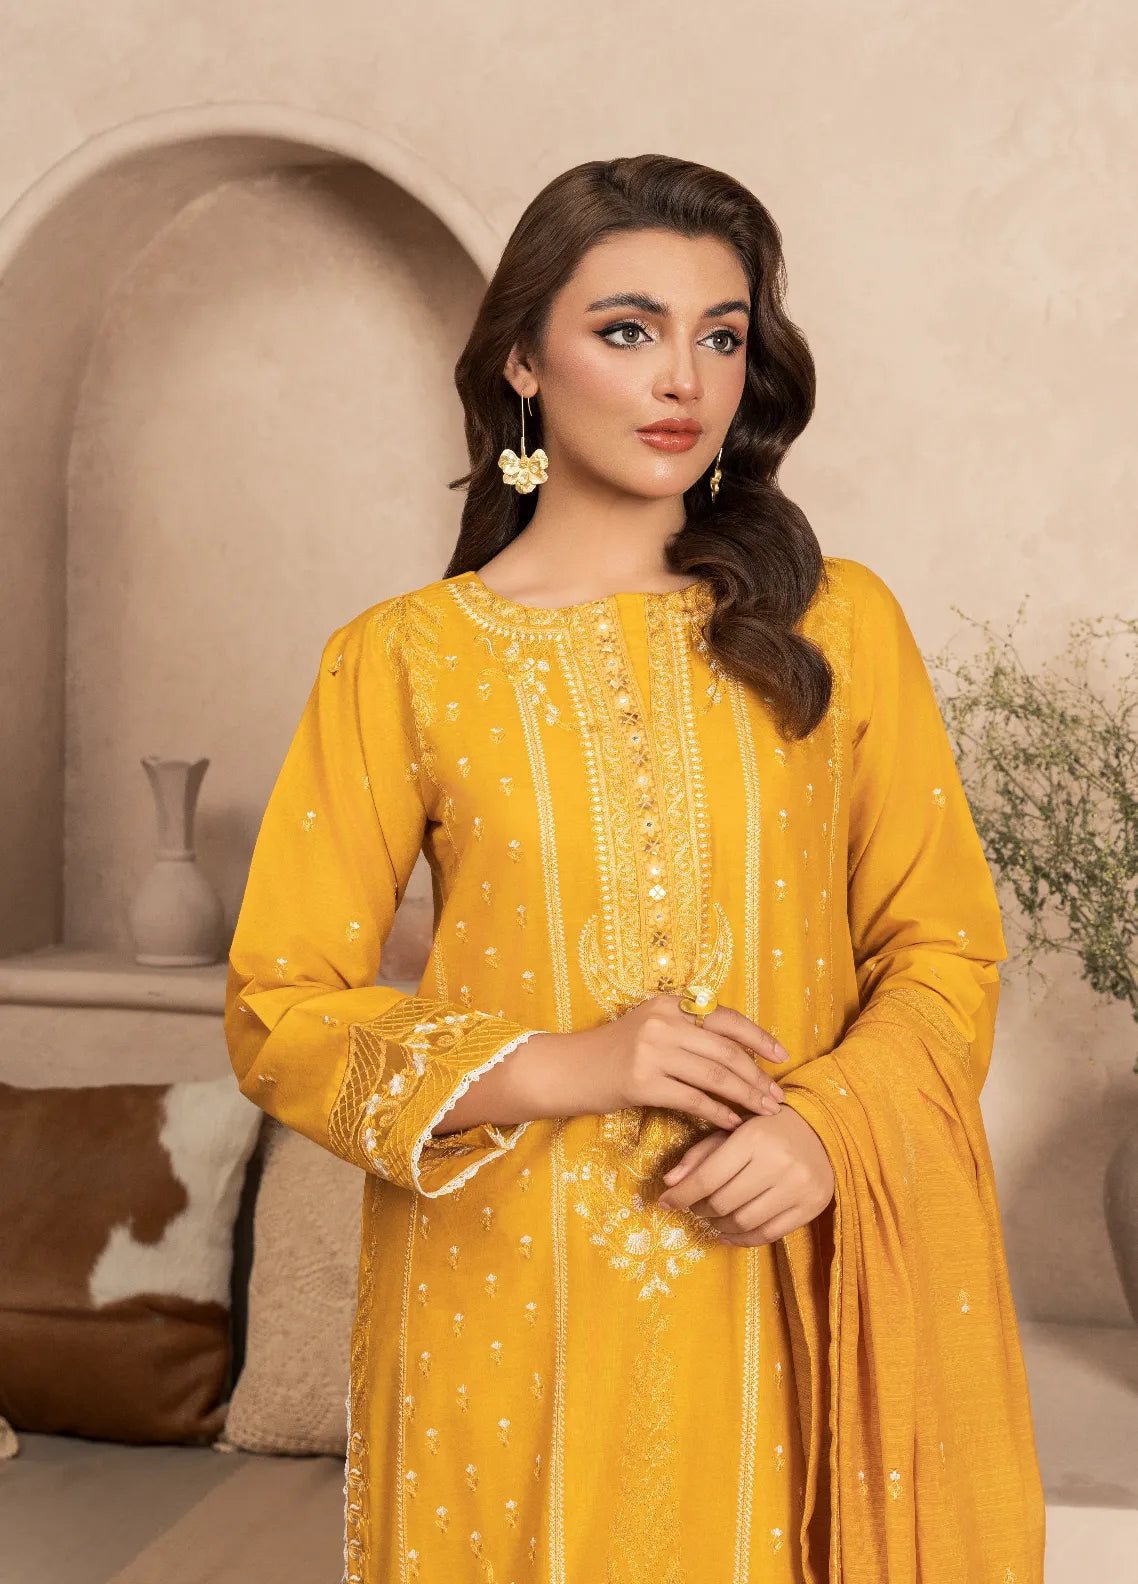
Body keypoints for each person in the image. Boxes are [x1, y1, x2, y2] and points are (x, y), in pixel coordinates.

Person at [224, 153, 1045, 1583]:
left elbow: (944, 946)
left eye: (720, 336)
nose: (683, 379)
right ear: (522, 361)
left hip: (777, 1269)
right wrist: (564, 1065)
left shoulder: (834, 626)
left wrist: (826, 1132)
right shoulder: (403, 659)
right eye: (627, 330)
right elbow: (278, 1009)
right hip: (503, 1300)